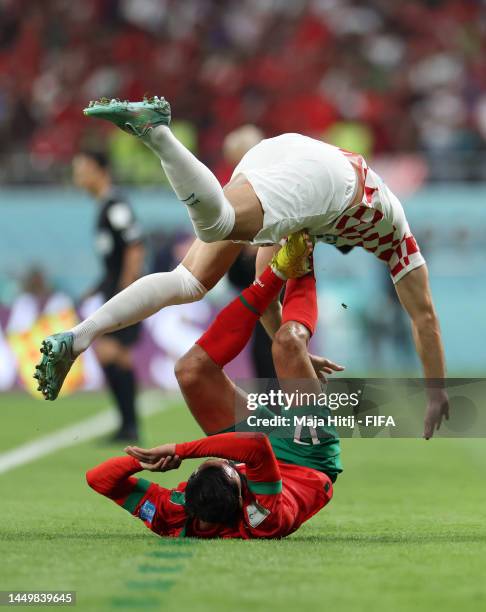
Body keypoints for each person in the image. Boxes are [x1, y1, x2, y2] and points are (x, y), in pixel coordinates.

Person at [35, 96, 448, 439]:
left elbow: (263, 291)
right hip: (328, 180)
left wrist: (296, 349)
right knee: (219, 223)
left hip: (280, 152)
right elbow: (424, 317)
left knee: (189, 280)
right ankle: (156, 132)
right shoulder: (398, 239)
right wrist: (436, 393)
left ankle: (77, 337)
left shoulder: (305, 227)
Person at [86, 233, 344, 539]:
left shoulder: (177, 514)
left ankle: (275, 274)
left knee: (190, 371)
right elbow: (255, 447)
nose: (224, 462)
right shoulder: (264, 516)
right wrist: (180, 452)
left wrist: (141, 462)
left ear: (189, 500)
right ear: (240, 498)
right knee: (288, 343)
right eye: (228, 468)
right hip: (307, 458)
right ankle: (302, 247)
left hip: (260, 454)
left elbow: (98, 479)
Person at [72, 150, 144, 441]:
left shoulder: (116, 204)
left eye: (82, 168)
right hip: (113, 291)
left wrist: (126, 290)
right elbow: (114, 260)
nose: (78, 176)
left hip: (124, 293)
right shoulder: (104, 206)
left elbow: (135, 246)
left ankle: (129, 425)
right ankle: (129, 426)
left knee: (110, 352)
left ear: (100, 170)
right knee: (115, 356)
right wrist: (97, 288)